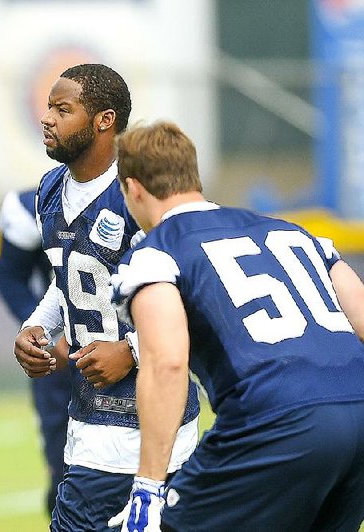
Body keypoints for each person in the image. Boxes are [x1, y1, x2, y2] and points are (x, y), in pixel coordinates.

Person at [110, 120, 364, 531]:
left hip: (274, 419)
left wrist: (148, 486)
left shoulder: (156, 253)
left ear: (134, 188)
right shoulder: (294, 233)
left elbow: (167, 363)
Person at [13, 64, 200, 531]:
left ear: (103, 120)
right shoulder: (49, 190)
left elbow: (196, 291)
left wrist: (132, 351)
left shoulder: (140, 190)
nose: (48, 118)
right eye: (49, 107)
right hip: (90, 424)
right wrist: (37, 327)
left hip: (157, 427)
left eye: (63, 108)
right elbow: (71, 278)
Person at [0, 187, 72, 514]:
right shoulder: (36, 205)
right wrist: (43, 334)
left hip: (132, 356)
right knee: (64, 481)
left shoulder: (135, 193)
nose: (48, 131)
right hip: (62, 364)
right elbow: (9, 276)